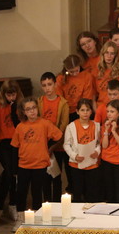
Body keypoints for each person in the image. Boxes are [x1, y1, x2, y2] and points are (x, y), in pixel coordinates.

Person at [11, 97, 63, 232]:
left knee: (37, 193)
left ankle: (36, 219)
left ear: (37, 109)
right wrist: (14, 168)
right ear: (23, 112)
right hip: (23, 165)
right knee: (21, 192)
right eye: (28, 109)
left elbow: (58, 136)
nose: (32, 111)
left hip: (40, 165)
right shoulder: (20, 127)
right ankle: (20, 218)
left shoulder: (45, 123)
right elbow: (15, 146)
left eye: (34, 108)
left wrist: (48, 149)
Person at [0, 80, 24, 225]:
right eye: (8, 95)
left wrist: (14, 108)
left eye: (13, 94)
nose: (11, 98)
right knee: (7, 175)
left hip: (19, 144)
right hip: (3, 144)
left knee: (15, 175)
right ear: (4, 94)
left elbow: (21, 125)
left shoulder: (20, 106)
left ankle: (12, 205)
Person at [38, 72, 69, 202]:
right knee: (45, 176)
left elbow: (64, 125)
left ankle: (56, 203)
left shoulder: (63, 103)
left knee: (56, 175)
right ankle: (46, 203)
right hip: (43, 144)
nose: (47, 88)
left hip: (58, 144)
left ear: (55, 84)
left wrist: (55, 143)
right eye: (44, 85)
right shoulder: (39, 102)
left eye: (50, 84)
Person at [63, 99, 101, 202]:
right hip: (76, 164)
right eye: (82, 110)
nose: (85, 113)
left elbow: (99, 143)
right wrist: (74, 156)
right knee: (78, 192)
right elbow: (66, 145)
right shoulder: (71, 127)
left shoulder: (96, 125)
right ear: (77, 111)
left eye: (87, 110)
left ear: (91, 111)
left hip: (92, 164)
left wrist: (97, 152)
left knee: (92, 192)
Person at [93, 41, 119, 107]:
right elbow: (93, 96)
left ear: (116, 56)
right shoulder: (96, 71)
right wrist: (96, 111)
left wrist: (116, 110)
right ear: (102, 54)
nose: (109, 56)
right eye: (107, 53)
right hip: (100, 107)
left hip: (117, 108)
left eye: (112, 53)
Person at [56, 54, 95, 121]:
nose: (74, 74)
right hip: (67, 111)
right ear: (66, 69)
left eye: (76, 70)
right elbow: (60, 98)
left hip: (82, 110)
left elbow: (87, 98)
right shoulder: (60, 78)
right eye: (71, 72)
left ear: (79, 65)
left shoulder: (87, 76)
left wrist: (81, 110)